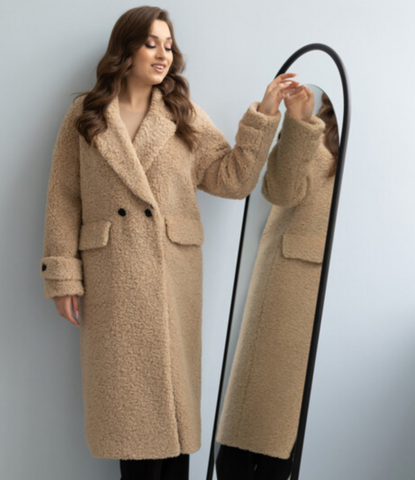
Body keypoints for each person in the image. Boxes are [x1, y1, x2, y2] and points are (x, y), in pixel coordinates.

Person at [39, 6, 298, 479]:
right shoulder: (86, 116)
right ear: (125, 49)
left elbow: (233, 179)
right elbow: (63, 197)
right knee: (130, 419)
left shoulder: (181, 114)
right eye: (151, 43)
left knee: (175, 416)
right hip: (113, 278)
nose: (163, 54)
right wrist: (63, 277)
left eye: (169, 45)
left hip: (171, 276)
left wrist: (265, 115)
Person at [215, 87, 339, 480]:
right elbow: (279, 190)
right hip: (290, 295)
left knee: (287, 446)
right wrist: (299, 124)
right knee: (252, 437)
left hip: (341, 301)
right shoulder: (317, 144)